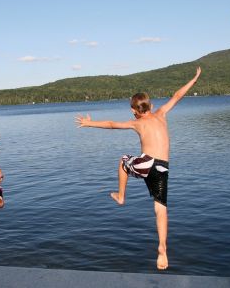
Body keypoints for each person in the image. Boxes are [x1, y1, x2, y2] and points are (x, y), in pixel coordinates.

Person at [75, 67, 202, 270]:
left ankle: (122, 196)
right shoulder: (161, 114)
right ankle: (162, 249)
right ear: (151, 105)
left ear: (134, 111)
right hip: (163, 168)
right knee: (161, 209)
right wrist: (194, 79)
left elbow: (110, 124)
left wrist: (89, 123)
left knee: (123, 160)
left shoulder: (136, 123)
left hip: (147, 163)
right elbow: (178, 95)